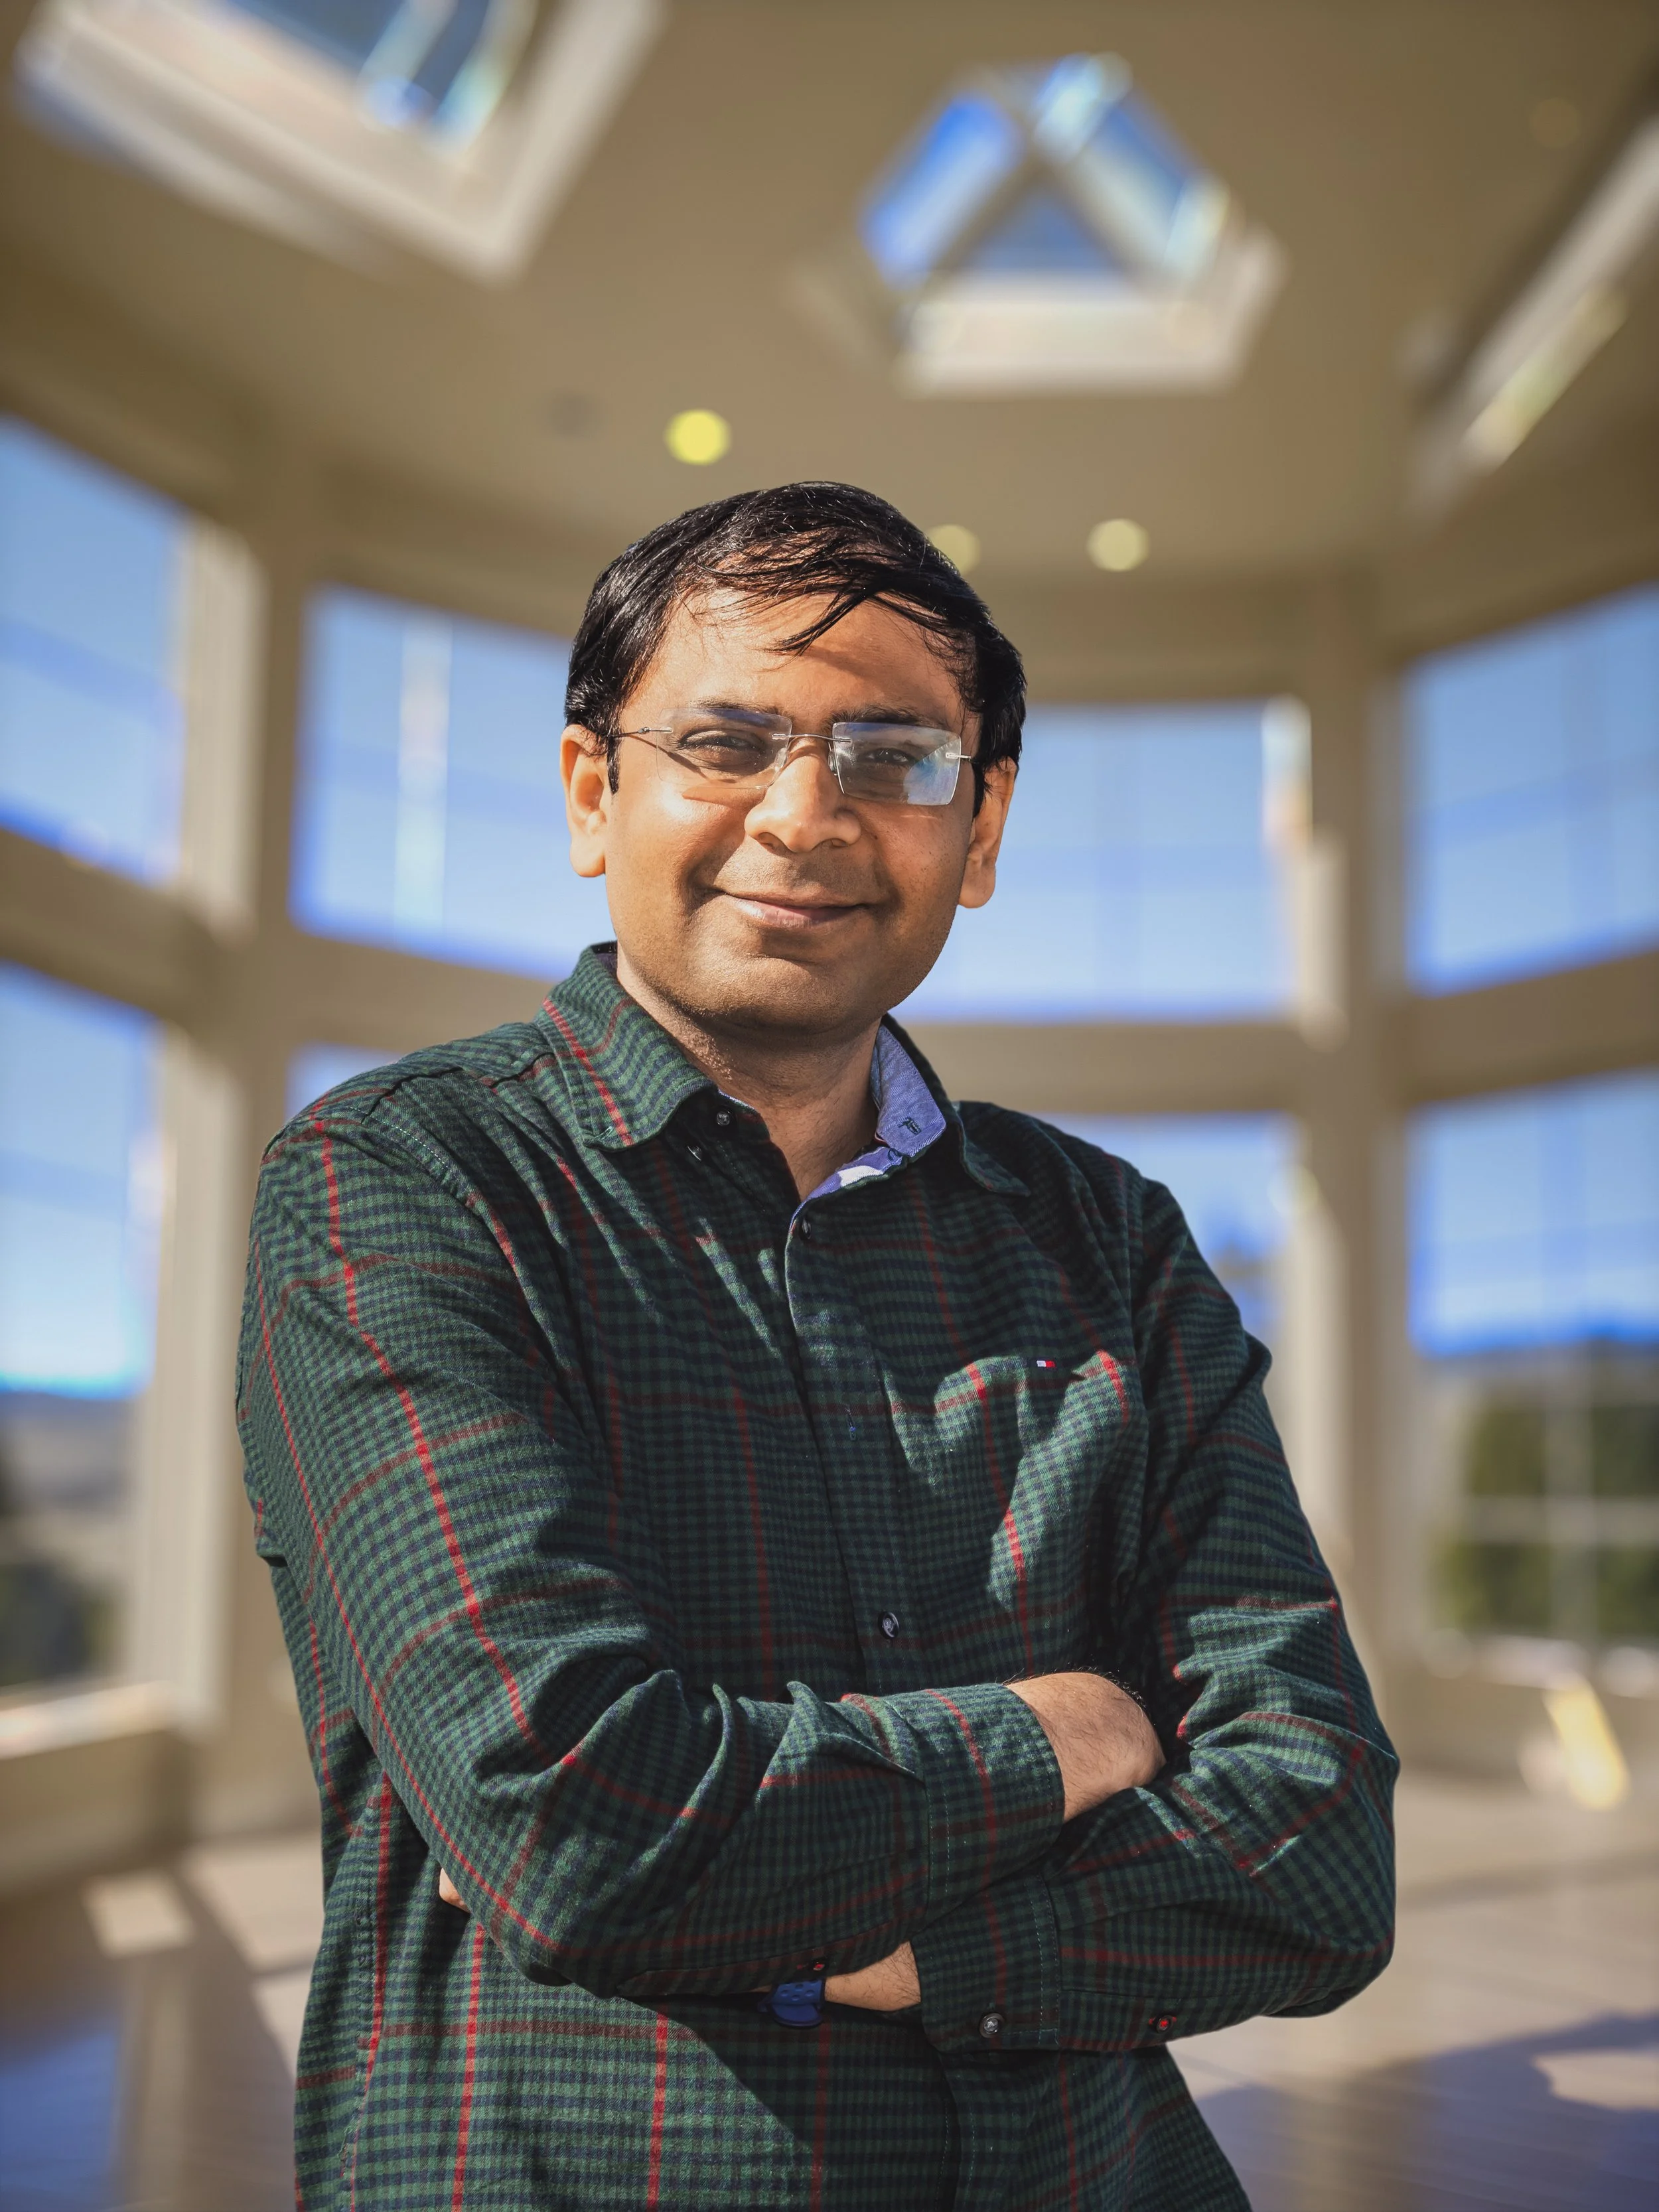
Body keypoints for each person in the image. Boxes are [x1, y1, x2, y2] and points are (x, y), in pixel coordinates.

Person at [239, 482, 1396, 2212]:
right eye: (724, 742)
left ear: (980, 830)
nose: (803, 814)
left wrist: (916, 1949)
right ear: (592, 792)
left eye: (895, 757)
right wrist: (1066, 1734)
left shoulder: (1111, 1239)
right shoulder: (398, 1182)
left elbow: (1322, 1846)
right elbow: (572, 1815)